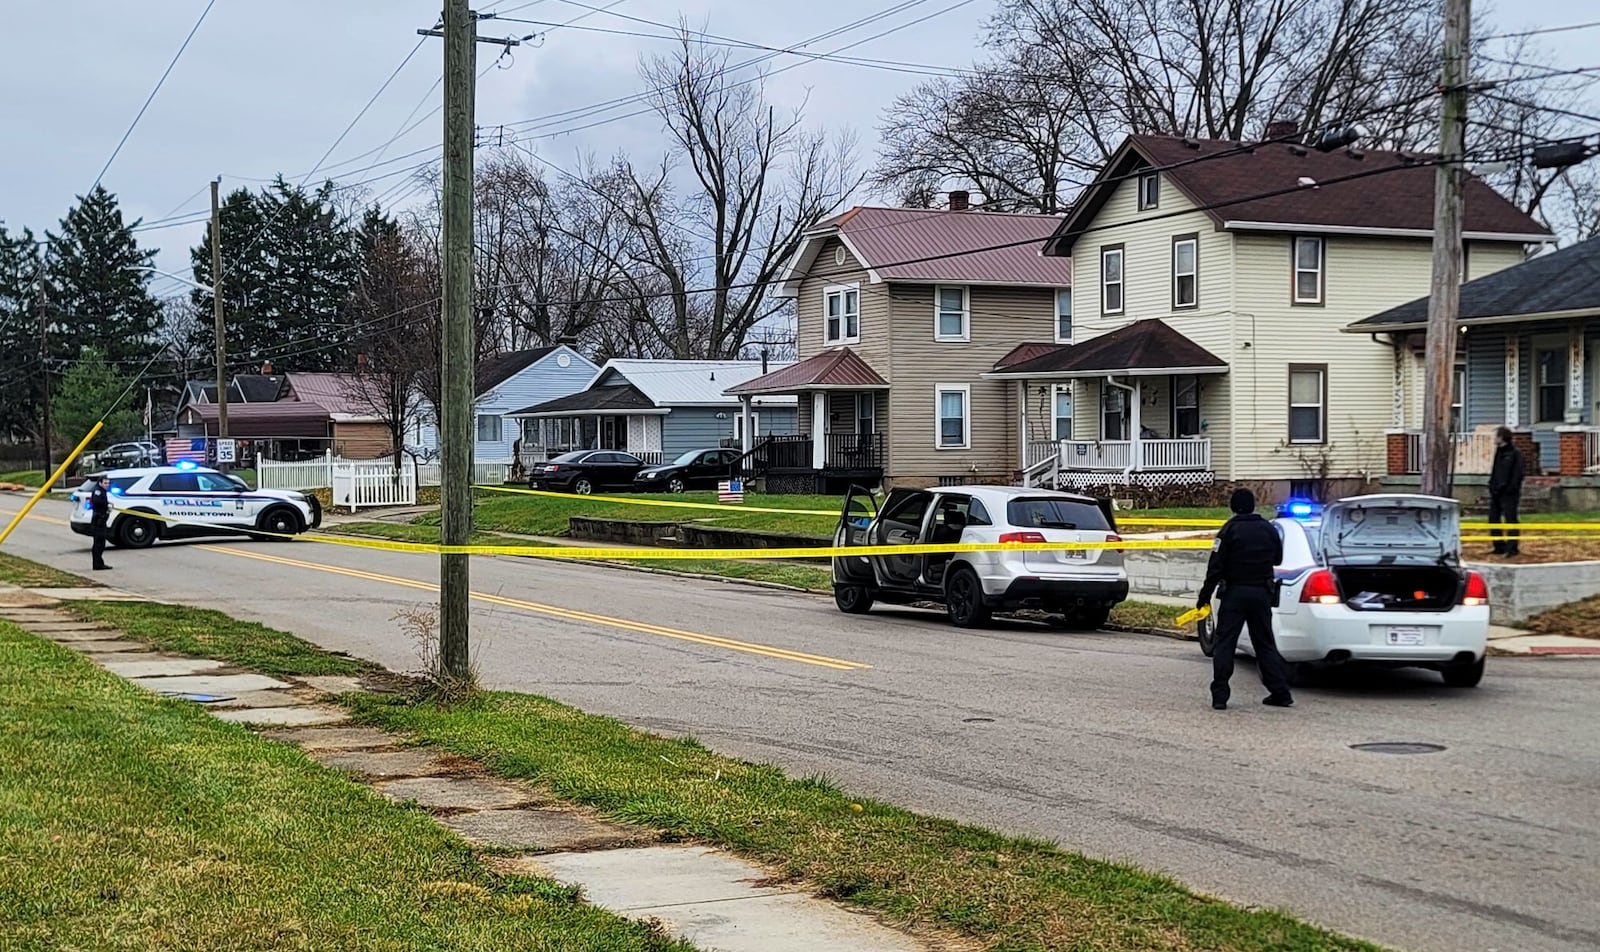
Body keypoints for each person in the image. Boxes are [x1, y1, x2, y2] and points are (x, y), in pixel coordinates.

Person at [1196, 488, 1291, 710]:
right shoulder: (1268, 529)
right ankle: (1280, 692)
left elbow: (1215, 567)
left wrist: (1204, 596)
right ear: (1253, 505)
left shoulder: (1229, 530)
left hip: (1234, 594)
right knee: (1265, 644)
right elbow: (1278, 558)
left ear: (1233, 507)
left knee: (1225, 644)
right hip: (1261, 594)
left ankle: (1220, 695)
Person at [1489, 425, 1524, 557]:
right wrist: (1492, 486)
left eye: (1496, 436)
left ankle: (1512, 548)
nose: (1494, 438)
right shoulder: (1498, 452)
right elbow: (1495, 471)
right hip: (1496, 492)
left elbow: (1517, 474)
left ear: (1502, 437)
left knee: (1511, 520)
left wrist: (1510, 488)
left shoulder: (1515, 453)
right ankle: (1498, 546)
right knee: (1493, 519)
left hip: (1509, 494)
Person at [88, 474, 113, 571]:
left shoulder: (102, 490)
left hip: (101, 519)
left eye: (108, 483)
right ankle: (97, 564)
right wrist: (106, 505)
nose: (107, 485)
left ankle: (99, 563)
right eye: (105, 483)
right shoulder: (98, 491)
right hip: (98, 520)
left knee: (101, 543)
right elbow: (97, 502)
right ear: (100, 483)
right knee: (99, 543)